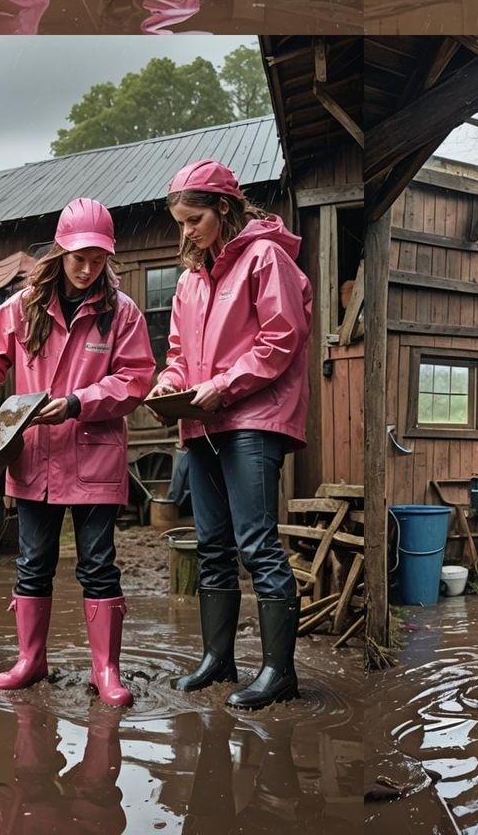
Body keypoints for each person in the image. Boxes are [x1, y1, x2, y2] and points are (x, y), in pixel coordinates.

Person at [0, 199, 154, 702]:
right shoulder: (21, 308)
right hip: (34, 459)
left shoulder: (121, 313)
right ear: (60, 251)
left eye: (98, 260)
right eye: (79, 259)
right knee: (33, 561)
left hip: (94, 455)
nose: (89, 270)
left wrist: (76, 403)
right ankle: (31, 659)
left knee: (97, 562)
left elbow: (134, 381)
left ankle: (105, 670)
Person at [155, 160, 313, 709]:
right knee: (212, 545)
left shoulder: (265, 258)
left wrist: (225, 384)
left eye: (194, 218)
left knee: (257, 543)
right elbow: (178, 354)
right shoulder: (190, 281)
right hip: (201, 422)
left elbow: (281, 337)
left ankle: (278, 671)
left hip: (253, 418)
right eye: (180, 223)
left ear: (224, 207)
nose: (187, 231)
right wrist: (168, 383)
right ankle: (217, 659)